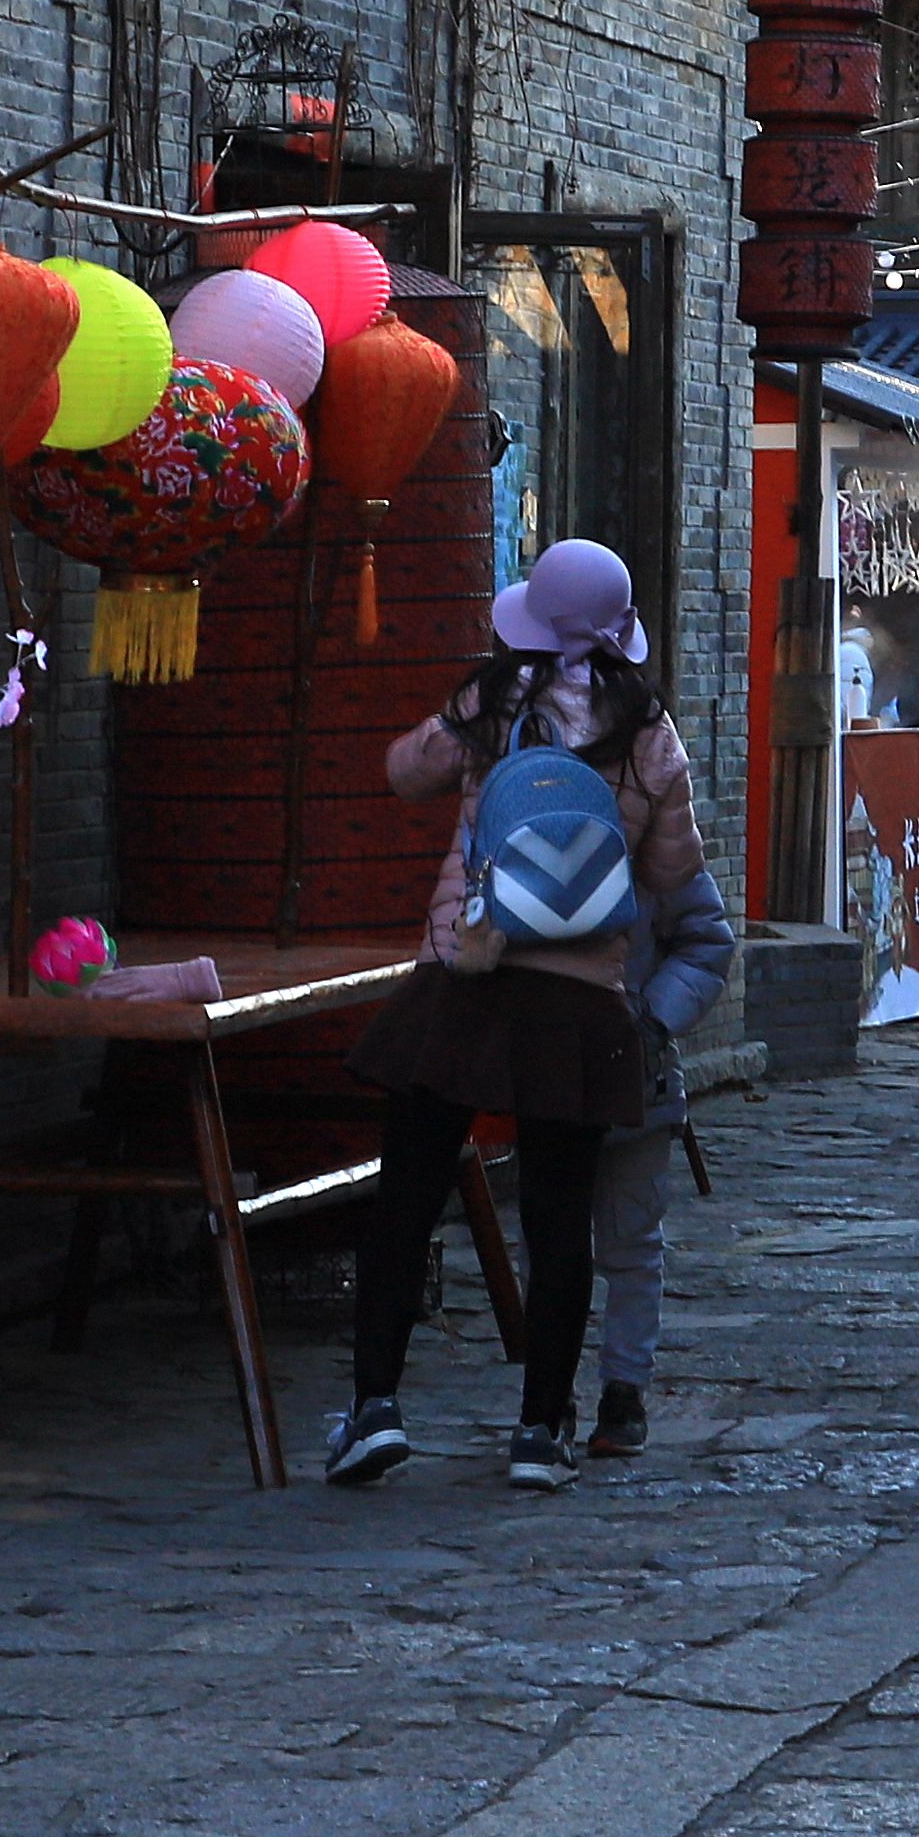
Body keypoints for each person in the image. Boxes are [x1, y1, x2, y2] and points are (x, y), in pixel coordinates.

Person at [332, 539, 707, 1491]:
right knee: (557, 1216)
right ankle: (542, 1431)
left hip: (463, 977)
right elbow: (669, 877)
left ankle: (374, 1407)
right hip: (577, 1004)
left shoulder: (490, 704)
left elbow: (405, 773)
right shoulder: (651, 733)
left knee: (407, 1196)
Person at [586, 822, 742, 1458]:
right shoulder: (523, 816)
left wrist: (650, 1020)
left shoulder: (656, 837)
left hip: (637, 1075)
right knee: (549, 1243)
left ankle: (624, 1388)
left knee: (630, 1237)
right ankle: (545, 1396)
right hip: (548, 1073)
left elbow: (706, 940)